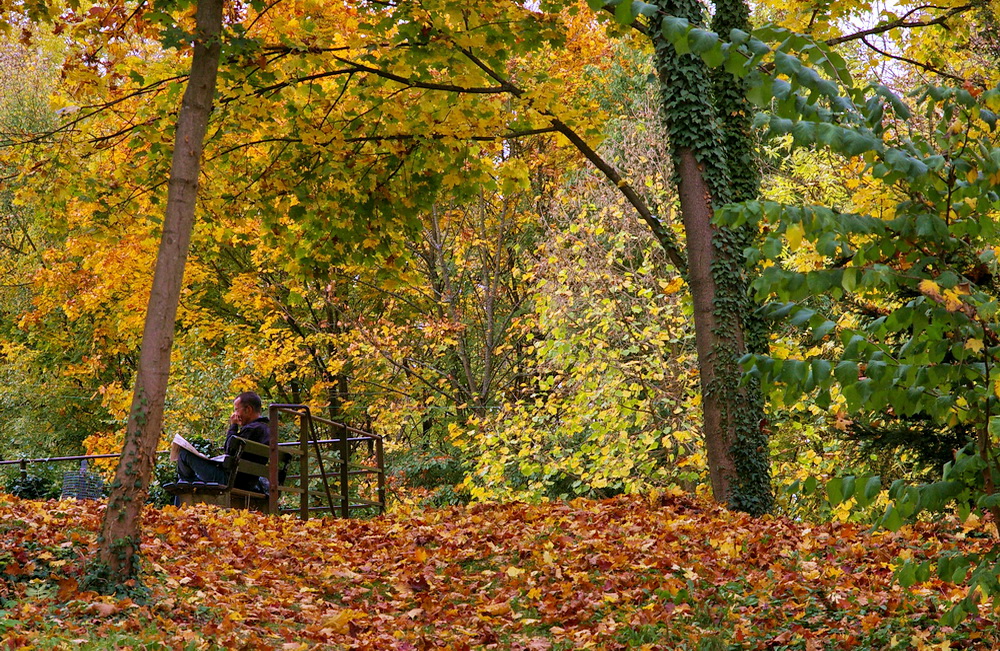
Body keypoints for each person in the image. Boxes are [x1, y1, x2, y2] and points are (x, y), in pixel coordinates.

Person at [172, 391, 270, 492]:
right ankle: (188, 488)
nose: (234, 414)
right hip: (248, 482)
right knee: (186, 483)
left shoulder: (252, 429)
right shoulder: (266, 430)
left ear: (248, 409)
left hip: (231, 480)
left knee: (184, 454)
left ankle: (187, 491)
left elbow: (229, 450)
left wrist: (233, 426)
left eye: (236, 410)